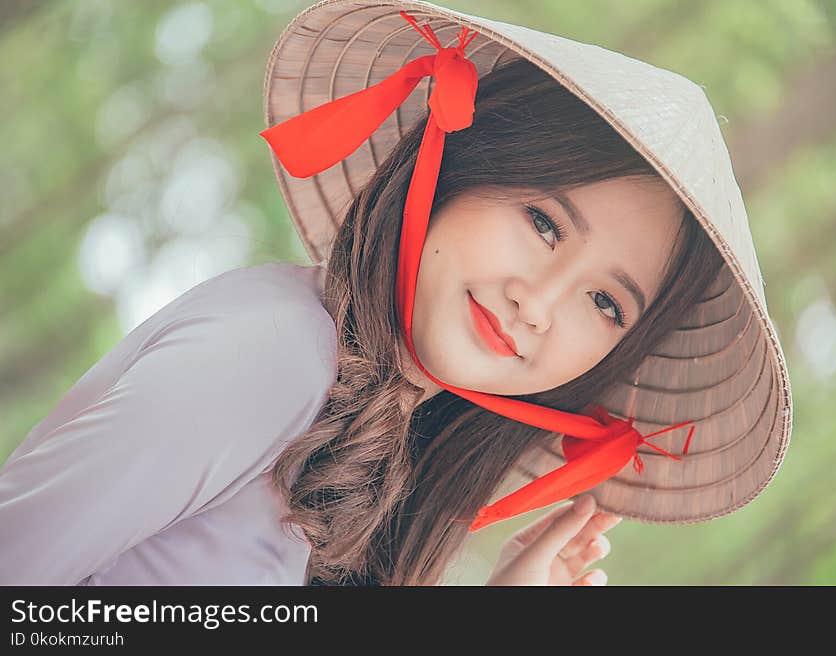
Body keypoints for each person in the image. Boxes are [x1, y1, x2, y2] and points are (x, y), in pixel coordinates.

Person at [0, 1, 792, 587]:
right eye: (546, 224)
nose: (539, 302)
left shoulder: (386, 469)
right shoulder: (275, 355)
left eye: (607, 304)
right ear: (454, 168)